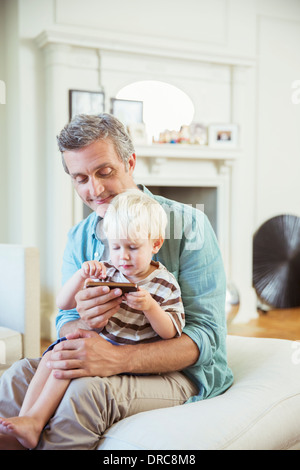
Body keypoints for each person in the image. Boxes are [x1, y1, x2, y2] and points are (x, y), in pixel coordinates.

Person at [0, 113, 233, 450]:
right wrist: (86, 319)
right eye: (80, 178)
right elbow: (64, 321)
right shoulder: (80, 236)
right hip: (110, 349)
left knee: (85, 392)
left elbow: (207, 336)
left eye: (104, 172)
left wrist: (116, 359)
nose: (94, 190)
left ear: (130, 162)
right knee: (17, 376)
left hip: (181, 373)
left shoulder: (188, 225)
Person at [0, 190, 185, 449]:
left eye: (133, 247)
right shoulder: (109, 268)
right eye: (116, 246)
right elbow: (63, 304)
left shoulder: (164, 283)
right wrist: (80, 276)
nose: (123, 257)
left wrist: (150, 307)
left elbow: (170, 332)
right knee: (56, 354)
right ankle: (30, 419)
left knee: (69, 365)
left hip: (135, 364)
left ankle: (34, 420)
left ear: (155, 244)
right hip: (98, 349)